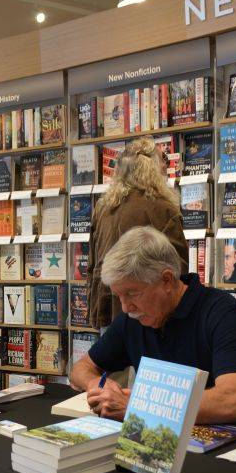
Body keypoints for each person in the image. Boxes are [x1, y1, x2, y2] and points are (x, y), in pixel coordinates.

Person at [70, 226, 236, 431]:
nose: (125, 307)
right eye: (118, 296)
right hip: (166, 442)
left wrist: (137, 407)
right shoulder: (132, 319)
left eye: (132, 294)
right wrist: (95, 384)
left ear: (166, 280)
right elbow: (80, 368)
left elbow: (234, 402)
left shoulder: (222, 312)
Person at [87, 136, 188, 329]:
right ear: (153, 169)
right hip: (148, 311)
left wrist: (96, 313)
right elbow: (178, 269)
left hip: (109, 308)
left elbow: (92, 266)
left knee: (110, 358)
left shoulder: (103, 207)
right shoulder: (163, 208)